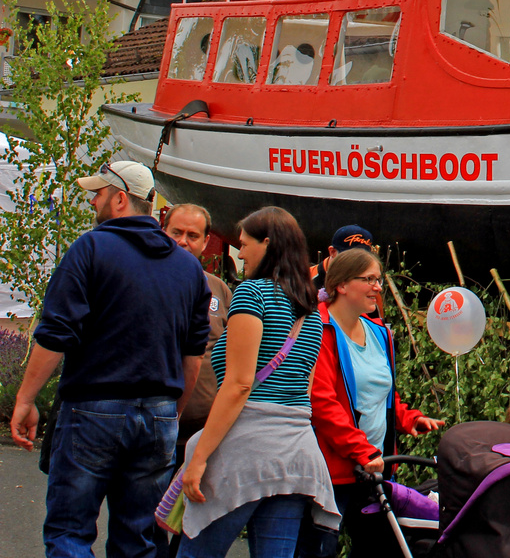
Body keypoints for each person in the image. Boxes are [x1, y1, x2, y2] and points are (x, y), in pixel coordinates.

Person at [9, 161, 211, 558]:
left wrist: (25, 399)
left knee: (70, 532)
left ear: (120, 199)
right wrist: (173, 409)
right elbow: (193, 356)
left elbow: (56, 334)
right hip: (159, 412)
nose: (93, 201)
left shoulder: (92, 248)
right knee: (138, 540)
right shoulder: (188, 268)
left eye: (98, 193)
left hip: (93, 406)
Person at [178, 207, 338, 557]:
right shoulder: (311, 309)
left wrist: (200, 457)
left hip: (247, 451)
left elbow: (238, 384)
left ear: (266, 244)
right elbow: (304, 389)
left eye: (244, 244)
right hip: (296, 455)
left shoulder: (253, 294)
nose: (240, 253)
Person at [307, 247, 443, 554]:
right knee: (319, 549)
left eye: (379, 279)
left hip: (376, 468)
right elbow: (322, 403)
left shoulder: (379, 332)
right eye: (369, 279)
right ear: (341, 284)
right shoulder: (319, 330)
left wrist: (409, 419)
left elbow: (382, 394)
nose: (378, 287)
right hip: (336, 471)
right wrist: (362, 451)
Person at [165, 203, 233, 452]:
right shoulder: (147, 282)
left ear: (205, 242)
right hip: (154, 421)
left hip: (206, 430)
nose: (183, 241)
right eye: (176, 233)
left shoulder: (218, 289)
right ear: (164, 232)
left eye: (192, 236)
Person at [310, 223, 373, 293]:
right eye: (350, 258)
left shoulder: (370, 284)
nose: (356, 263)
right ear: (332, 252)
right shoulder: (306, 280)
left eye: (362, 259)